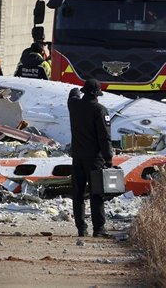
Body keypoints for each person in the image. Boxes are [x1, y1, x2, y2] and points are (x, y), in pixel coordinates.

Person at [68, 78, 114, 238]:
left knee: (78, 193)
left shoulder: (74, 106)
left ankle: (81, 228)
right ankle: (99, 229)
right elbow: (104, 137)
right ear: (97, 94)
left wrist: (77, 90)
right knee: (97, 193)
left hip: (77, 157)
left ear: (84, 92)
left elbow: (72, 94)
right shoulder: (100, 110)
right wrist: (108, 159)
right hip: (95, 159)